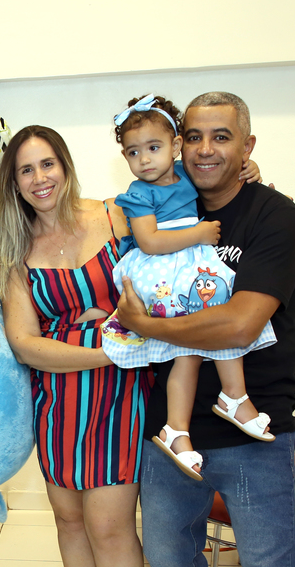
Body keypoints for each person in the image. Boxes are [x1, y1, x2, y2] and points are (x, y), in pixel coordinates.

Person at [114, 92, 295, 567]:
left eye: (222, 137)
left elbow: (239, 323)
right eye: (194, 136)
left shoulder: (272, 215)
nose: (206, 149)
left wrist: (150, 326)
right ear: (177, 144)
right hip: (172, 431)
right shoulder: (165, 198)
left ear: (247, 147)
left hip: (253, 431)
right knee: (169, 556)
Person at [0, 125, 147, 567]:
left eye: (48, 164)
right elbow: (26, 344)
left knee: (109, 525)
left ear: (66, 165)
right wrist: (106, 349)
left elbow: (165, 273)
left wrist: (115, 331)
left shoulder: (114, 216)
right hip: (60, 398)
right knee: (70, 521)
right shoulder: (15, 255)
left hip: (121, 396)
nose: (40, 179)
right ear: (14, 182)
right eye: (26, 170)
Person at [102, 95, 275, 481]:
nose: (145, 160)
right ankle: (221, 402)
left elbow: (222, 168)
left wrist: (250, 168)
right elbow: (149, 241)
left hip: (187, 264)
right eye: (133, 152)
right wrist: (198, 233)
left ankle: (183, 424)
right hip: (161, 268)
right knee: (202, 331)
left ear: (175, 146)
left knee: (195, 347)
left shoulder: (185, 173)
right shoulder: (139, 194)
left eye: (153, 148)